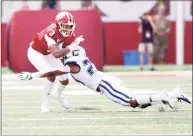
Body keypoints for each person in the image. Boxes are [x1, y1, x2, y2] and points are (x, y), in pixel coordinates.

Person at [18, 46, 191, 110]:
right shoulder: (80, 55)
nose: (61, 56)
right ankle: (170, 96)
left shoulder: (71, 65)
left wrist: (31, 75)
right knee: (139, 104)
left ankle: (164, 96)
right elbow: (66, 57)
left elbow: (52, 72)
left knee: (131, 102)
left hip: (105, 85)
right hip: (109, 79)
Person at [27, 11, 84, 112]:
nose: (67, 29)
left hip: (49, 53)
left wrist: (66, 62)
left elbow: (61, 52)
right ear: (57, 25)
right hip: (37, 52)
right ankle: (45, 104)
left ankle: (57, 94)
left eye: (69, 26)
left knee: (64, 79)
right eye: (64, 26)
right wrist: (72, 47)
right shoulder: (51, 32)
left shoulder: (71, 36)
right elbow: (56, 53)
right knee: (51, 73)